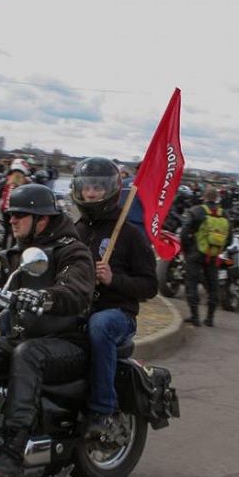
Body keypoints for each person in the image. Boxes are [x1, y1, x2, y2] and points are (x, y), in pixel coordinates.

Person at [0, 183, 95, 477]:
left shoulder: (72, 251)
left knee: (27, 354)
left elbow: (76, 290)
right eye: (9, 214)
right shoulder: (19, 255)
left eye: (19, 214)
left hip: (67, 344)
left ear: (41, 219)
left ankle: (13, 452)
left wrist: (47, 297)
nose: (11, 220)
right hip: (25, 339)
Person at [71, 157, 158, 438]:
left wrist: (113, 279)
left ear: (111, 190)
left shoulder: (131, 235)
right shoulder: (76, 230)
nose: (91, 193)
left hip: (118, 314)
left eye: (98, 187)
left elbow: (150, 286)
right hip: (79, 308)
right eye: (87, 187)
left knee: (100, 325)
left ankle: (101, 410)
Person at [182, 187, 229, 326]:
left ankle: (195, 317)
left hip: (195, 253)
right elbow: (229, 239)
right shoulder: (224, 214)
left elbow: (185, 231)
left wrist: (186, 250)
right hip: (213, 255)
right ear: (217, 197)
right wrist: (218, 249)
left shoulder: (196, 210)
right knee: (213, 287)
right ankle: (209, 318)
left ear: (204, 196)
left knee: (192, 284)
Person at [0, 158, 30, 249]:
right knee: (15, 233)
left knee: (6, 232)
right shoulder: (25, 182)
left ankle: (3, 250)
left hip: (5, 209)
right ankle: (13, 251)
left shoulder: (7, 180)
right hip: (16, 209)